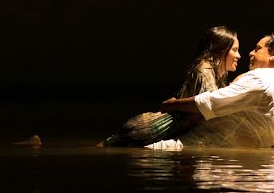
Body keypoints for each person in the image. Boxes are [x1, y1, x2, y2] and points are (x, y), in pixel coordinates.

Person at [155, 33, 274, 149]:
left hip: (202, 153)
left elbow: (211, 102)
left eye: (257, 48)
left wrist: (174, 104)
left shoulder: (259, 80)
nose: (250, 53)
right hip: (235, 168)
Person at [98, 26, 241, 147]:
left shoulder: (215, 73)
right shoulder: (204, 69)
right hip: (152, 130)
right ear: (220, 49)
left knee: (105, 146)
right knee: (104, 148)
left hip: (160, 130)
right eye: (234, 50)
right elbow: (209, 105)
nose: (239, 55)